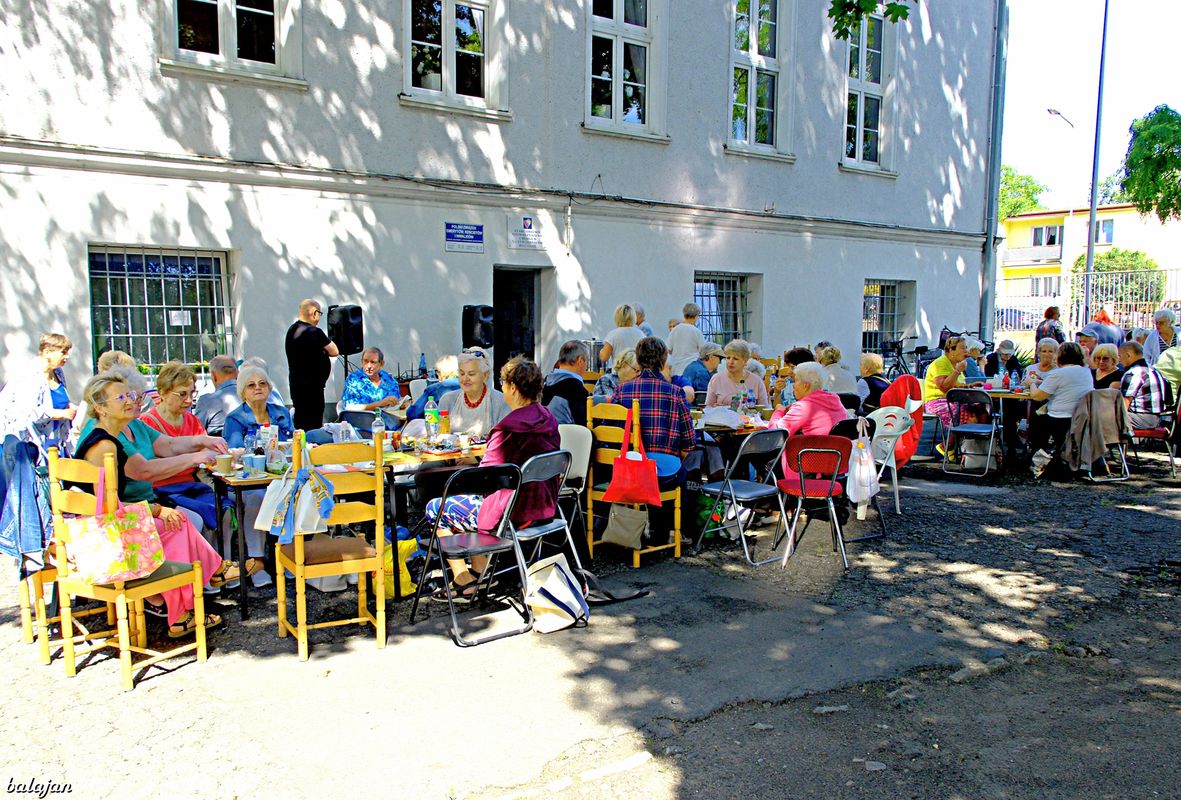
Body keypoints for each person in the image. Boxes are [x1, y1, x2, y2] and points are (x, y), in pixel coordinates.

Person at [75, 372, 238, 636]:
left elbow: (169, 446)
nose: (131, 401)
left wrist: (201, 442)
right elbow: (109, 507)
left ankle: (187, 608)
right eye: (121, 397)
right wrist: (156, 510)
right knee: (175, 523)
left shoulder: (110, 435)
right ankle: (199, 590)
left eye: (131, 395)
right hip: (102, 535)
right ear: (100, 408)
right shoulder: (104, 445)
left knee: (176, 523)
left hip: (108, 522)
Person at [424, 356, 560, 600]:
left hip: (513, 511)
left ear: (513, 388)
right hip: (544, 505)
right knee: (466, 499)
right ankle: (481, 573)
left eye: (504, 384)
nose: (502, 388)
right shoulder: (548, 418)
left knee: (437, 507)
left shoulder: (509, 427)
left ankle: (463, 579)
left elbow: (484, 478)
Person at [140, 361, 223, 537]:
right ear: (163, 393)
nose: (189, 400)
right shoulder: (147, 423)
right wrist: (195, 456)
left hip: (192, 487)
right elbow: (150, 465)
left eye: (192, 393)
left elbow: (206, 454)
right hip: (162, 491)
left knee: (226, 508)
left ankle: (221, 554)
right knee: (199, 516)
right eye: (182, 394)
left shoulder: (192, 420)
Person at [612, 337, 695, 458]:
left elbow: (611, 429)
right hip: (666, 463)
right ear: (663, 363)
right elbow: (688, 440)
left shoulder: (621, 390)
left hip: (630, 460)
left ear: (638, 361)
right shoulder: (676, 392)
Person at [0, 332, 77, 459]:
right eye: (63, 352)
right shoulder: (31, 375)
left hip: (52, 441)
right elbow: (27, 413)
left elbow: (57, 398)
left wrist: (69, 406)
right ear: (47, 352)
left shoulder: (58, 372)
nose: (67, 356)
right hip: (25, 445)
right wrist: (61, 414)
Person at [770, 362, 849, 484]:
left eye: (795, 381)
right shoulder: (835, 400)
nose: (793, 385)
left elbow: (775, 431)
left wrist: (778, 411)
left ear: (806, 386)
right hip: (833, 468)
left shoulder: (804, 407)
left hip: (805, 470)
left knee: (759, 456)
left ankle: (770, 494)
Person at [1027, 342, 1093, 476]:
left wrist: (1032, 383)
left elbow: (1037, 396)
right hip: (1081, 417)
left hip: (1060, 418)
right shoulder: (1086, 372)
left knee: (1036, 416)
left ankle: (1036, 458)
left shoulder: (1058, 373)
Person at [923, 335, 984, 454]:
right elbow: (944, 387)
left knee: (982, 410)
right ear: (951, 350)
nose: (966, 351)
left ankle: (977, 449)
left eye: (966, 348)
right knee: (967, 414)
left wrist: (969, 386)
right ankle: (949, 447)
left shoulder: (957, 363)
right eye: (962, 348)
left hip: (954, 400)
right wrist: (957, 371)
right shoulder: (940, 364)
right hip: (937, 401)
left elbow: (957, 385)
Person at [285, 299, 339, 432]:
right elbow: (334, 351)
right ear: (314, 313)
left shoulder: (292, 330)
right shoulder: (314, 332)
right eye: (319, 313)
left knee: (301, 423)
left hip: (297, 387)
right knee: (313, 426)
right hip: (312, 389)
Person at [438, 347, 509, 436]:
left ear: (485, 375)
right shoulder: (447, 400)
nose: (465, 379)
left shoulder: (500, 402)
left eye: (471, 374)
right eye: (462, 373)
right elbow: (439, 436)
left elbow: (504, 439)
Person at [223, 365, 296, 449]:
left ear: (269, 388)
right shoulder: (234, 419)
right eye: (251, 385)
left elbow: (295, 442)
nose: (258, 387)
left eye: (262, 383)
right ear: (243, 392)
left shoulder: (282, 413)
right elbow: (236, 451)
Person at [341, 346, 403, 430]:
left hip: (391, 426)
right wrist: (380, 403)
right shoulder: (353, 380)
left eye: (373, 362)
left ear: (381, 364)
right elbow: (350, 407)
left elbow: (397, 403)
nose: (369, 366)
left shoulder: (389, 379)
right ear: (362, 361)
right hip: (363, 427)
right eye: (366, 361)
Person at [1118, 340, 1170, 429]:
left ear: (1128, 355)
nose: (1119, 360)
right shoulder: (1154, 370)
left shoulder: (1133, 373)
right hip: (1158, 418)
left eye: (1120, 356)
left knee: (1103, 417)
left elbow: (1125, 404)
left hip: (1141, 418)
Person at [705, 339, 769, 408]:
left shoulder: (756, 381)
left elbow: (764, 408)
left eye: (735, 358)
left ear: (745, 361)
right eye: (728, 358)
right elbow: (708, 408)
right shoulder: (716, 379)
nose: (730, 362)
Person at [542, 341, 591, 426]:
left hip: (543, 432)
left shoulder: (545, 382)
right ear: (580, 361)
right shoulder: (575, 389)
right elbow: (584, 424)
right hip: (565, 433)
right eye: (587, 361)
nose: (587, 366)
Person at [194, 354, 239, 436]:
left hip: (218, 442)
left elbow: (195, 433)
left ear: (214, 375)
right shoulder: (250, 396)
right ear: (238, 374)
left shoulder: (206, 400)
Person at [406, 356, 461, 421]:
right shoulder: (467, 387)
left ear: (441, 372)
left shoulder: (434, 389)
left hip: (440, 424)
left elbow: (413, 414)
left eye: (436, 371)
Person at [599, 304, 645, 369]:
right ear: (633, 317)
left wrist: (601, 351)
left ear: (617, 318)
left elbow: (604, 357)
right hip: (637, 372)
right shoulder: (641, 334)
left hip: (619, 373)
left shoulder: (613, 335)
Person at [667, 303, 707, 376]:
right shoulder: (697, 332)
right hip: (692, 369)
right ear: (696, 316)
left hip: (676, 369)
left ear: (684, 315)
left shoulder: (674, 330)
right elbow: (703, 351)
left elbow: (668, 349)